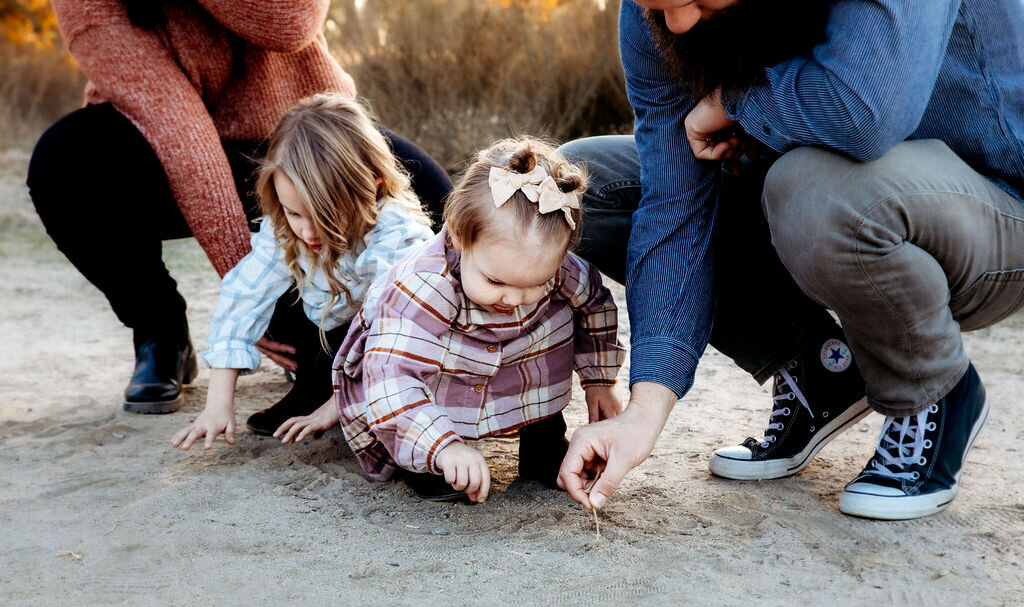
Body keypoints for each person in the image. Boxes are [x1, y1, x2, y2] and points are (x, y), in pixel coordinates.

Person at [557, 0, 1024, 520]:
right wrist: (643, 411)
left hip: (1001, 203)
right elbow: (674, 205)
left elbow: (865, 110)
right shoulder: (655, 18)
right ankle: (821, 369)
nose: (678, 23)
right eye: (657, 5)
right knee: (578, 192)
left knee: (811, 191)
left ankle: (931, 389)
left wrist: (736, 101)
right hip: (839, 193)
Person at [27, 0, 452, 415]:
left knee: (439, 207)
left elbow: (289, 23)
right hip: (162, 143)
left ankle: (427, 355)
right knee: (62, 164)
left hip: (309, 137)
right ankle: (161, 332)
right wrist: (257, 301)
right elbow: (178, 127)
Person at [275, 138, 626, 502]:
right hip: (430, 373)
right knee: (423, 398)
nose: (514, 298)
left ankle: (543, 441)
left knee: (552, 322)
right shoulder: (424, 286)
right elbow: (392, 377)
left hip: (522, 360)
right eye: (496, 281)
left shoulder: (551, 264)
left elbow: (595, 307)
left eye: (536, 283)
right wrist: (443, 448)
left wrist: (599, 380)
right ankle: (430, 461)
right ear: (460, 236)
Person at [170, 93, 434, 450]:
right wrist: (217, 404)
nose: (309, 233)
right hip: (327, 332)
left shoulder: (396, 231)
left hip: (400, 346)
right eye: (295, 213)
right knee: (279, 295)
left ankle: (343, 397)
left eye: (325, 216)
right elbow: (244, 296)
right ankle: (314, 383)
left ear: (370, 183)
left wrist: (336, 407)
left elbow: (393, 325)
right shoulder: (284, 229)